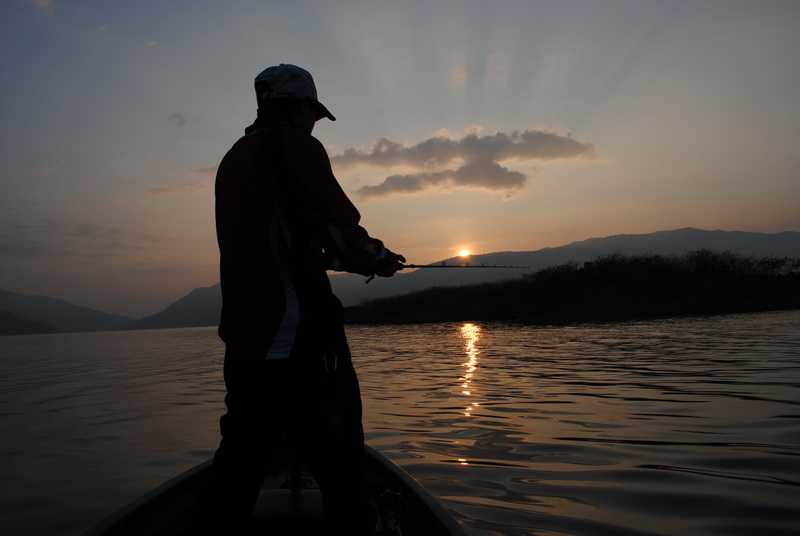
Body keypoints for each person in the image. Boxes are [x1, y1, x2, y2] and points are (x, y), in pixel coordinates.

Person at [185, 64, 405, 535]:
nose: (314, 124)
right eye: (313, 113)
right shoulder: (294, 146)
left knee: (241, 459)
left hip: (245, 338)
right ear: (301, 106)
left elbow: (273, 238)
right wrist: (381, 259)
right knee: (340, 457)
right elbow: (343, 233)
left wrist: (321, 255)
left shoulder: (234, 157)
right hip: (300, 336)